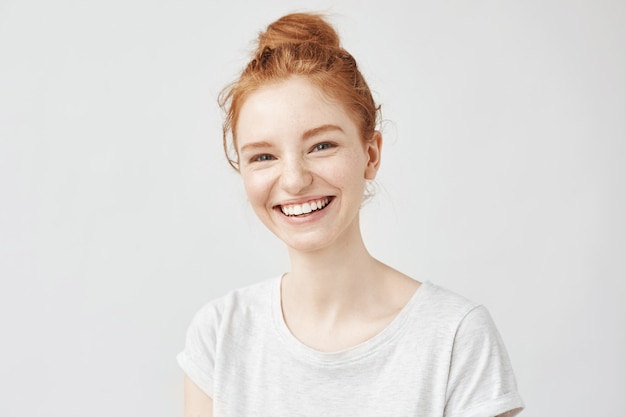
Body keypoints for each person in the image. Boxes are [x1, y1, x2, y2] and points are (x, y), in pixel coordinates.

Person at [177, 12, 524, 417]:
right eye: (264, 156)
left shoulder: (455, 337)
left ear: (371, 154)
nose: (293, 179)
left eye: (321, 146)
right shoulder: (220, 335)